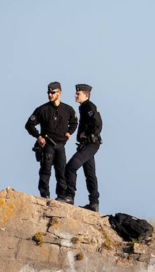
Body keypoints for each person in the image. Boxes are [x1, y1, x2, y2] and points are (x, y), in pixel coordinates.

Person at [25, 82, 78, 201]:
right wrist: (38, 136)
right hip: (47, 144)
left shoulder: (68, 109)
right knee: (45, 171)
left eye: (53, 92)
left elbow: (74, 122)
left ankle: (61, 196)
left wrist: (69, 132)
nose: (50, 95)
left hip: (60, 145)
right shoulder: (42, 109)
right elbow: (29, 125)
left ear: (60, 92)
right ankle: (45, 195)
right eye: (48, 92)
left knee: (61, 172)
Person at [65, 83, 102, 211]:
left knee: (70, 167)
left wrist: (87, 134)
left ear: (86, 95)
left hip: (91, 144)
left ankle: (69, 196)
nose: (75, 95)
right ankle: (94, 204)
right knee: (90, 173)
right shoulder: (83, 107)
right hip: (86, 145)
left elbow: (98, 124)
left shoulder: (89, 106)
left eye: (78, 93)